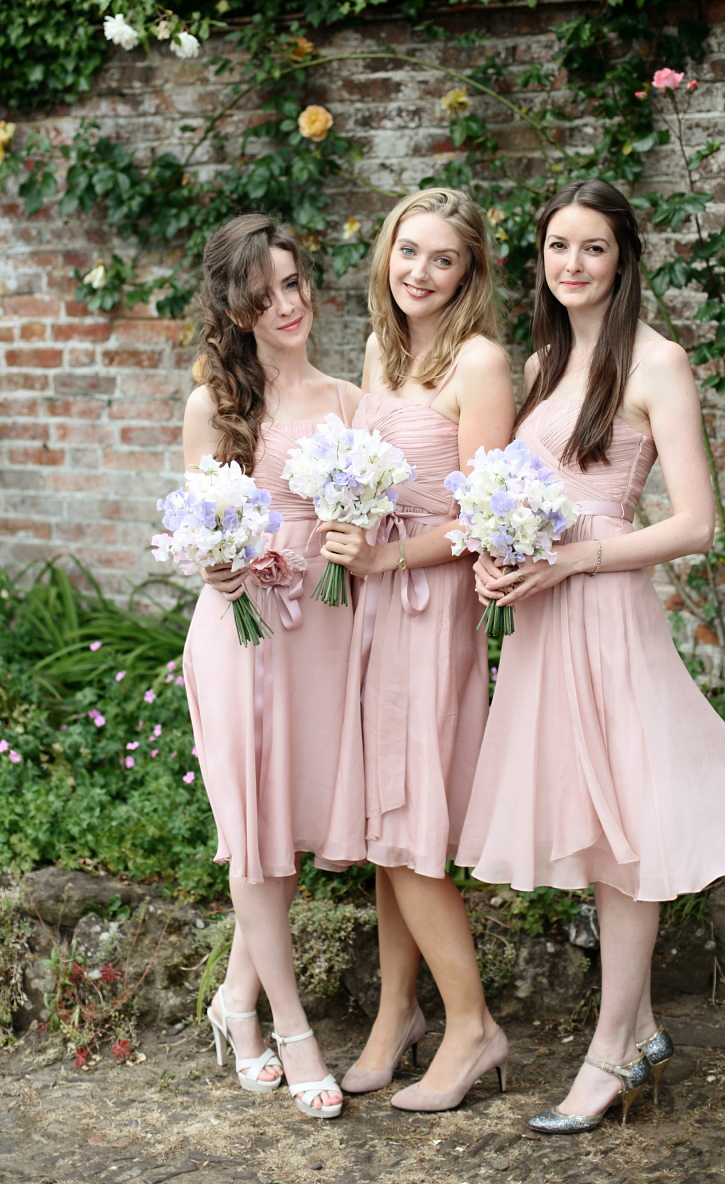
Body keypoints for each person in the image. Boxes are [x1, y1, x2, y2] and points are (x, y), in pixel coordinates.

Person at [456, 178, 725, 1133]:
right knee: (598, 829)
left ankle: (608, 1055)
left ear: (623, 258)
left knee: (628, 828)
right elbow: (522, 491)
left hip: (605, 615)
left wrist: (573, 558)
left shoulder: (658, 364)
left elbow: (694, 524)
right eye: (557, 246)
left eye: (592, 248)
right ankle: (636, 1032)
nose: (571, 265)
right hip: (545, 623)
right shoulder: (542, 361)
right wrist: (499, 559)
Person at [319, 187, 516, 1112]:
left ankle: (472, 1026)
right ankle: (397, 1014)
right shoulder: (381, 352)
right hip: (372, 605)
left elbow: (483, 516)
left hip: (430, 609)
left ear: (470, 271)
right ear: (387, 253)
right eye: (409, 252)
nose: (420, 273)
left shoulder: (481, 365)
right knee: (381, 826)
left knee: (409, 826)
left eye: (443, 259)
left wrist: (387, 553)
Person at [181, 214, 365, 1120]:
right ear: (236, 306)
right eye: (266, 292)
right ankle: (292, 1032)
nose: (287, 304)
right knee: (253, 831)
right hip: (243, 626)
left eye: (294, 283)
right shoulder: (215, 405)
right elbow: (200, 526)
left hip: (318, 631)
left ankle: (234, 1000)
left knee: (283, 831)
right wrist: (217, 560)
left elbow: (372, 515)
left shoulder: (346, 398)